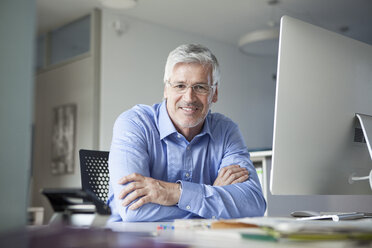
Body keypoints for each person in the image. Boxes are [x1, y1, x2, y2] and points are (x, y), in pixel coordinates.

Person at [107, 44, 266, 222]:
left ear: (214, 93)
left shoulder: (226, 130)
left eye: (200, 87)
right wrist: (211, 199)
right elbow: (133, 210)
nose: (189, 98)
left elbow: (254, 204)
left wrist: (174, 193)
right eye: (180, 85)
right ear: (166, 90)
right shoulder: (134, 124)